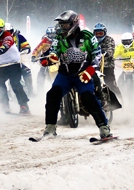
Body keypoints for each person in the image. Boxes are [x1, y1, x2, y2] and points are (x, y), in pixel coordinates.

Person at [40, 10, 111, 139]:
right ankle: (50, 127)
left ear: (73, 24)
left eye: (65, 25)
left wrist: (91, 70)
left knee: (88, 97)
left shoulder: (88, 36)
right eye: (61, 25)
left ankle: (104, 128)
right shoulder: (59, 38)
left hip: (82, 73)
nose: (63, 28)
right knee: (52, 94)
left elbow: (97, 55)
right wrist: (51, 58)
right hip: (65, 74)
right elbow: (54, 51)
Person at [0, 18, 31, 114]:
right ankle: (4, 104)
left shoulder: (7, 36)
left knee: (15, 83)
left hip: (13, 63)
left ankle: (24, 105)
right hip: (2, 65)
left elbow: (6, 46)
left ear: (2, 29)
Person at [93, 22, 120, 101]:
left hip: (107, 65)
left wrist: (106, 53)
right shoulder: (92, 40)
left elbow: (110, 50)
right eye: (97, 33)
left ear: (104, 33)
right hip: (94, 65)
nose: (98, 35)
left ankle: (119, 100)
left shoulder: (109, 39)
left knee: (110, 84)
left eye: (100, 33)